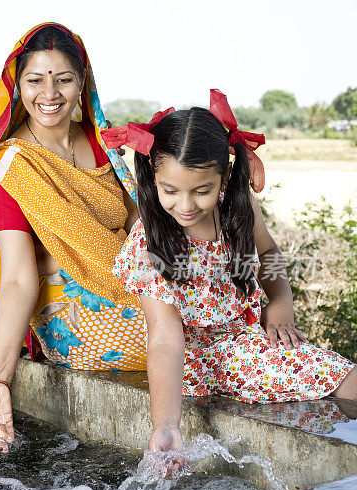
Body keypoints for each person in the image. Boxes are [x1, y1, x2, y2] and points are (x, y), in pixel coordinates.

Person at [110, 89, 357, 454]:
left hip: (248, 335)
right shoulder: (150, 243)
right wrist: (166, 425)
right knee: (337, 374)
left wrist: (280, 301)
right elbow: (164, 336)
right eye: (171, 191)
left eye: (202, 190)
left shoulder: (236, 206)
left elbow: (269, 251)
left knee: (349, 378)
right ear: (153, 176)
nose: (186, 205)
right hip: (199, 358)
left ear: (223, 178)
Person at [0, 23, 149, 455]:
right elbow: (18, 279)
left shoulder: (105, 145)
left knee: (212, 327)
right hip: (77, 318)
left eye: (64, 79)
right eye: (35, 80)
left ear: (83, 83)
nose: (49, 94)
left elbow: (142, 232)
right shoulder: (12, 165)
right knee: (191, 349)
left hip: (135, 285)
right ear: (16, 85)